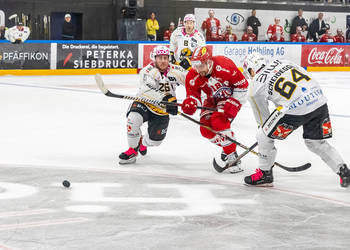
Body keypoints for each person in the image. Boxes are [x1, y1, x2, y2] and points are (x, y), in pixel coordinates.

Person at [242, 53, 349, 187]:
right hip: (319, 100)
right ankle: (343, 170)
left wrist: (265, 136)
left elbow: (263, 121)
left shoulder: (255, 86)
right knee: (315, 143)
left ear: (252, 69)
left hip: (295, 110)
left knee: (263, 136)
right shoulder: (284, 62)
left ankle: (264, 174)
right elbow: (307, 77)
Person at [181, 46, 249, 173]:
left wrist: (234, 102)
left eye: (200, 65)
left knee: (218, 121)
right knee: (205, 129)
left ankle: (232, 156)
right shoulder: (192, 74)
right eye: (195, 65)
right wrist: (191, 103)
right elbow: (193, 96)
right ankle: (229, 146)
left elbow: (243, 84)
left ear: (208, 62)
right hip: (211, 99)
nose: (197, 69)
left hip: (230, 98)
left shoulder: (224, 65)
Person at [119, 45, 186, 164]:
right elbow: (145, 90)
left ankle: (142, 143)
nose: (163, 61)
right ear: (154, 58)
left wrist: (190, 71)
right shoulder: (147, 70)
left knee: (155, 141)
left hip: (162, 110)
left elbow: (191, 82)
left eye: (165, 58)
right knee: (132, 119)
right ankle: (132, 151)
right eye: (160, 58)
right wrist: (165, 99)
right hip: (145, 102)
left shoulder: (175, 70)